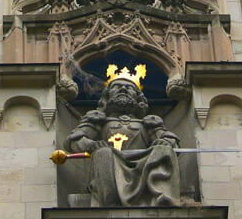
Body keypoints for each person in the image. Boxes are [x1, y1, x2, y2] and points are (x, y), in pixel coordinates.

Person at [65, 66, 181, 207]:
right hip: (110, 163)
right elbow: (74, 141)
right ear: (107, 96)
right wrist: (91, 145)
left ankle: (161, 195)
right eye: (117, 87)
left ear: (138, 98)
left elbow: (172, 143)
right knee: (103, 152)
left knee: (164, 150)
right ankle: (110, 199)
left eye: (129, 88)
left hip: (143, 164)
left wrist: (163, 143)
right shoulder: (98, 119)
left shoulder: (148, 122)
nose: (123, 90)